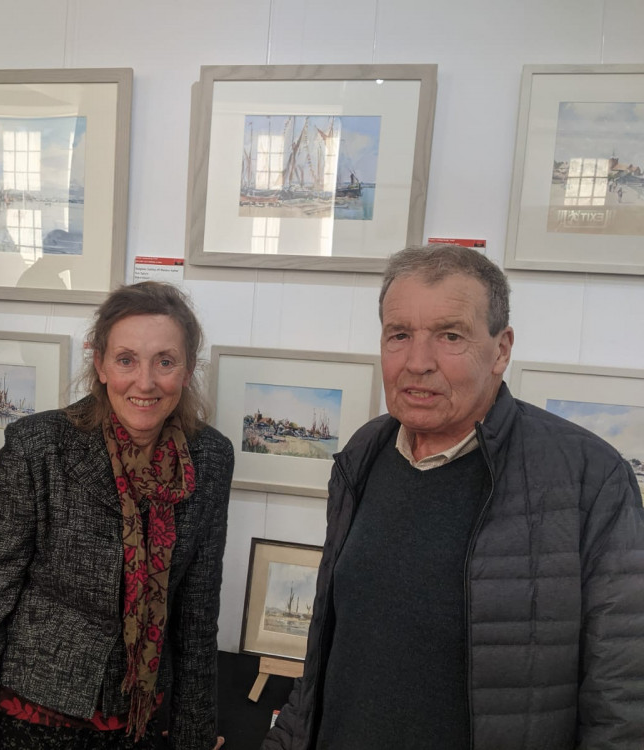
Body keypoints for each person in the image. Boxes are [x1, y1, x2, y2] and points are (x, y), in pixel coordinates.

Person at [263, 244, 644, 750]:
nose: (418, 362)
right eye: (399, 335)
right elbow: (327, 650)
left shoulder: (588, 477)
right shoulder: (365, 452)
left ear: (501, 349)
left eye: (450, 336)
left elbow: (621, 698)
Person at [0, 281, 235, 749]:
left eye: (165, 361)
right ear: (100, 365)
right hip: (32, 718)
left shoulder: (211, 458)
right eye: (126, 359)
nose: (146, 382)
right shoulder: (41, 447)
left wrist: (193, 737)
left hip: (140, 722)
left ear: (188, 369)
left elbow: (197, 613)